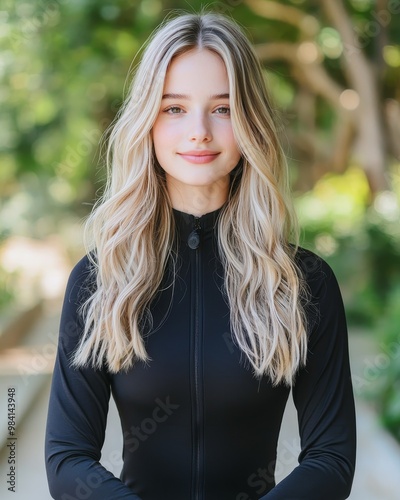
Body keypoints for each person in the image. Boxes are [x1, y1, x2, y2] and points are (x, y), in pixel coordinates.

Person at [45, 11, 356, 500]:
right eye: (173, 108)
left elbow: (331, 459)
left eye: (223, 108)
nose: (198, 132)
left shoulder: (304, 282)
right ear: (146, 121)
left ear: (250, 121)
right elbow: (66, 457)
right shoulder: (100, 279)